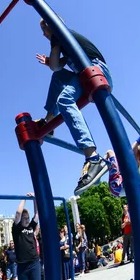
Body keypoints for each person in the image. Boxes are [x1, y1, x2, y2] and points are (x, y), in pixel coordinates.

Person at [35, 18, 113, 195]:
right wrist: (50, 62)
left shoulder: (59, 34)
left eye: (44, 29)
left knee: (64, 100)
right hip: (86, 71)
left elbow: (54, 65)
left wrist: (51, 61)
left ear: (51, 25)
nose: (43, 34)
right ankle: (50, 122)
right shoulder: (66, 43)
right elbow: (57, 67)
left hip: (95, 70)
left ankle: (93, 157)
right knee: (58, 78)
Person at [12, 193, 42, 280]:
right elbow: (18, 213)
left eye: (27, 218)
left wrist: (34, 199)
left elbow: (37, 214)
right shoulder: (16, 229)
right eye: (24, 218)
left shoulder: (31, 227)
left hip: (34, 262)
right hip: (22, 265)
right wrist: (24, 199)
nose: (25, 219)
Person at [103, 133, 140, 198]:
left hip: (116, 186)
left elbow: (130, 152)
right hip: (121, 190)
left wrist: (139, 139)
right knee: (120, 160)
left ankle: (100, 164)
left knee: (110, 152)